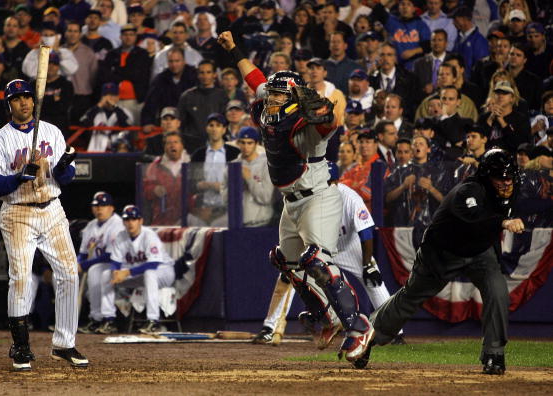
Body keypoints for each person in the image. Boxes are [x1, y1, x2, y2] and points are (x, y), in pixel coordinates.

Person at [218, 30, 374, 363]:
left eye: (277, 97)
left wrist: (327, 113)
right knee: (285, 261)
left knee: (317, 259)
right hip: (291, 201)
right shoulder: (270, 102)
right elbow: (255, 77)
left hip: (318, 196)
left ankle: (357, 326)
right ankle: (325, 316)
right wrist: (234, 48)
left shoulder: (306, 124)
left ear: (293, 100)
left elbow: (329, 124)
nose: (270, 100)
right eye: (271, 96)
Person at [358, 149, 524, 375]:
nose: (506, 182)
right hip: (442, 253)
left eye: (509, 177)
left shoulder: (512, 188)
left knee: (498, 292)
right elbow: (476, 219)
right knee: (410, 298)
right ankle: (367, 337)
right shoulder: (468, 191)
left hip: (480, 253)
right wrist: (504, 222)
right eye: (500, 178)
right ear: (486, 176)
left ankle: (494, 354)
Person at [0, 79, 86, 371]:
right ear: (9, 105)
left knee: (68, 274)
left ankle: (64, 345)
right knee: (22, 278)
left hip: (52, 209)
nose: (24, 102)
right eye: (17, 99)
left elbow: (66, 178)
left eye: (28, 97)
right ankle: (21, 346)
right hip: (18, 213)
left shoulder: (52, 132)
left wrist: (63, 167)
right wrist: (17, 177)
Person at [252, 163, 403, 346]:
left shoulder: (349, 197)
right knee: (292, 273)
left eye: (328, 180)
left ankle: (395, 332)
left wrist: (367, 264)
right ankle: (283, 323)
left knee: (373, 281)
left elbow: (366, 232)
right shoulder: (311, 197)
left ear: (336, 181)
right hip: (324, 246)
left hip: (350, 245)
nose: (324, 183)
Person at [108, 205, 175, 334]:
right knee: (106, 274)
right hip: (140, 274)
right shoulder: (121, 236)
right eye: (127, 220)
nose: (130, 223)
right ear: (123, 222)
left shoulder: (149, 235)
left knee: (150, 274)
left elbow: (154, 263)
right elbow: (115, 261)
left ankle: (153, 321)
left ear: (140, 221)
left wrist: (127, 272)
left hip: (164, 272)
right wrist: (115, 272)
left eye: (134, 219)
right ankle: (107, 319)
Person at [77, 192, 125, 335]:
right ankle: (95, 319)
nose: (99, 209)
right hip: (99, 264)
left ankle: (108, 320)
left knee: (98, 271)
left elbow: (110, 255)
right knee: (86, 271)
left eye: (103, 205)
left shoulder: (118, 224)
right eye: (96, 206)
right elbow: (83, 253)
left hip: (120, 264)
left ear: (111, 208)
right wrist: (78, 263)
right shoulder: (91, 226)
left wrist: (84, 265)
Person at [97, 23, 151, 125]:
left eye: (131, 34)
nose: (128, 37)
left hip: (135, 100)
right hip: (114, 100)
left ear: (135, 37)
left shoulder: (142, 54)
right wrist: (127, 72)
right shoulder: (112, 54)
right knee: (114, 130)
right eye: (125, 35)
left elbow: (140, 76)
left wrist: (118, 72)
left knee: (134, 130)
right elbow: (106, 75)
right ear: (120, 37)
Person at [141, 47, 198, 133]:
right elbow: (150, 102)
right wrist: (147, 122)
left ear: (184, 61)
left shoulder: (195, 76)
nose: (174, 65)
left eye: (177, 61)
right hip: (168, 123)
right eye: (171, 61)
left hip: (190, 124)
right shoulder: (160, 79)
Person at [177, 59, 229, 154]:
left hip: (216, 145)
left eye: (208, 72)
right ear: (198, 75)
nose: (205, 76)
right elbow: (180, 123)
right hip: (191, 146)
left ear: (214, 74)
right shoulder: (187, 96)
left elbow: (226, 122)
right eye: (202, 72)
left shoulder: (222, 96)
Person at [143, 131, 190, 226]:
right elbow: (145, 189)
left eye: (176, 142)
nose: (172, 145)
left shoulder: (191, 164)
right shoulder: (155, 166)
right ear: (164, 147)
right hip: (162, 217)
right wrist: (154, 190)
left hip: (187, 216)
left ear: (182, 146)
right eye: (169, 143)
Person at [232, 126, 275, 227]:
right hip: (237, 224)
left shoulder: (266, 164)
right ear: (238, 143)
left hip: (262, 223)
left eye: (249, 143)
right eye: (242, 142)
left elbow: (265, 197)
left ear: (256, 144)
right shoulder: (233, 165)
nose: (246, 146)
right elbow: (225, 199)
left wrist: (250, 178)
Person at [80, 82, 132, 152]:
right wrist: (98, 106)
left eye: (112, 95)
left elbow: (128, 125)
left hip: (117, 148)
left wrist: (115, 107)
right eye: (106, 95)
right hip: (97, 149)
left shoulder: (124, 111)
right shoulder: (94, 111)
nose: (108, 98)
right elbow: (83, 123)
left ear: (118, 97)